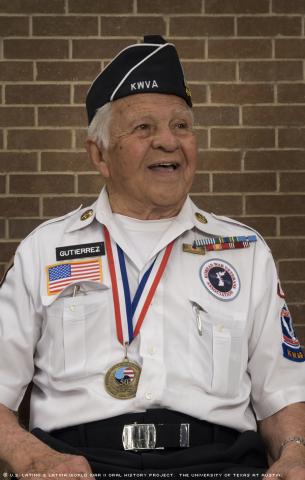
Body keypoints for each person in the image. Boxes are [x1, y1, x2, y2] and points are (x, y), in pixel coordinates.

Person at [0, 35, 305, 480]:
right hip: (78, 467)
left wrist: (295, 453)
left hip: (220, 467)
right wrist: (29, 456)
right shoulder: (44, 251)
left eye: (181, 126)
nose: (168, 142)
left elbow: (282, 395)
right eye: (144, 128)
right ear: (99, 155)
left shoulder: (244, 252)